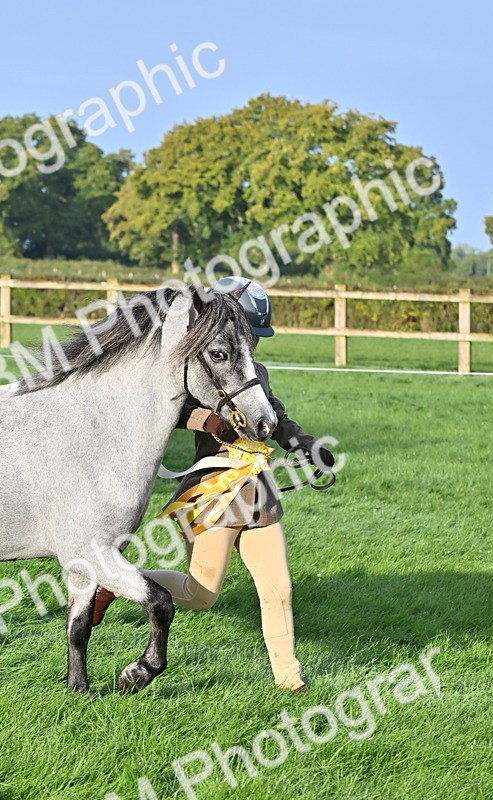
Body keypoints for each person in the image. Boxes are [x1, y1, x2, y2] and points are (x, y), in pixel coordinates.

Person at [92, 278, 335, 692]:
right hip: (213, 490)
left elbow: (273, 416)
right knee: (200, 593)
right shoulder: (196, 364)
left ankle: (289, 680)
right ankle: (116, 583)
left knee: (278, 588)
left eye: (254, 339)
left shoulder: (254, 372)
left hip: (258, 493)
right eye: (246, 335)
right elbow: (170, 407)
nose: (251, 346)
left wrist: (303, 443)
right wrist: (205, 420)